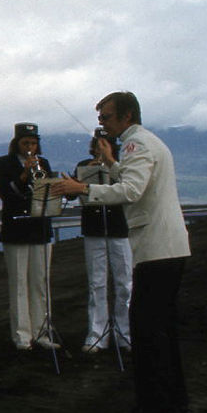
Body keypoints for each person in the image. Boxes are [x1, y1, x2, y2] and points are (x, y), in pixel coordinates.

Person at [53, 92, 190, 413]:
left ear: (127, 117)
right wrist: (112, 164)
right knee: (162, 331)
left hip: (157, 250)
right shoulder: (142, 143)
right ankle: (173, 403)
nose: (102, 124)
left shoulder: (136, 144)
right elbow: (133, 178)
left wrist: (83, 189)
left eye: (107, 118)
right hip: (168, 248)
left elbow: (131, 191)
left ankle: (155, 408)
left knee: (148, 331)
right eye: (100, 118)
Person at [0, 122, 57, 351]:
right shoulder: (2, 163)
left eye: (33, 143)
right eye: (25, 143)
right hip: (16, 230)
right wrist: (23, 174)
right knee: (19, 283)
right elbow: (6, 194)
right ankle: (22, 336)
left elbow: (47, 193)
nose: (30, 147)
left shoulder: (45, 164)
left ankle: (42, 333)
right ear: (16, 143)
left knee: (40, 283)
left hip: (39, 227)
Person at [71, 133, 132, 352]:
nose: (100, 149)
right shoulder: (83, 165)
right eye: (97, 146)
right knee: (97, 282)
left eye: (104, 145)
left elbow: (128, 190)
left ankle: (125, 334)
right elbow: (73, 194)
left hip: (119, 227)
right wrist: (88, 171)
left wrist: (109, 165)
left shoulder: (121, 166)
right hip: (94, 227)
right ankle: (96, 334)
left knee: (124, 281)